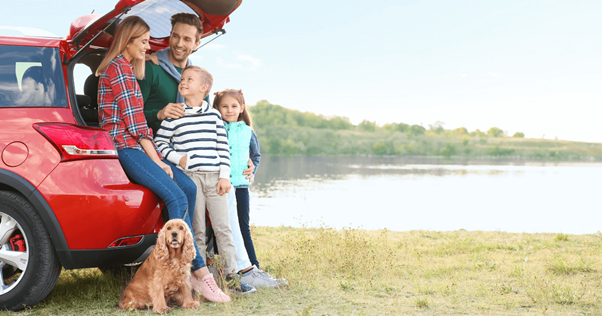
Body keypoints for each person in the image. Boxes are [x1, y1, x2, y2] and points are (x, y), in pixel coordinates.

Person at [96, 16, 230, 303]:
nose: (148, 47)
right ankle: (189, 269)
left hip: (138, 146)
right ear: (127, 41)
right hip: (127, 147)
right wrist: (158, 161)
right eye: (143, 42)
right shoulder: (118, 69)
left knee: (190, 189)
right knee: (177, 197)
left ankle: (188, 269)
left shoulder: (128, 68)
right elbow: (135, 124)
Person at [154, 66, 256, 294]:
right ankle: (199, 280)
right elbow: (159, 143)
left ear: (203, 88)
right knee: (197, 230)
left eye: (189, 79)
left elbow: (222, 147)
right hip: (191, 178)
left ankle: (231, 277)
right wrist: (177, 158)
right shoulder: (175, 114)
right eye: (182, 78)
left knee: (223, 228)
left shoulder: (213, 115)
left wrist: (224, 177)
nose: (183, 82)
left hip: (215, 179)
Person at [213, 89, 287, 288]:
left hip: (241, 186)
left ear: (242, 108)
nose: (229, 110)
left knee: (242, 226)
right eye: (224, 106)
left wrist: (251, 170)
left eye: (234, 106)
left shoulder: (247, 131)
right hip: (222, 185)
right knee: (223, 227)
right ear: (217, 108)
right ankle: (225, 268)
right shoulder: (216, 127)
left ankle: (253, 266)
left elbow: (255, 155)